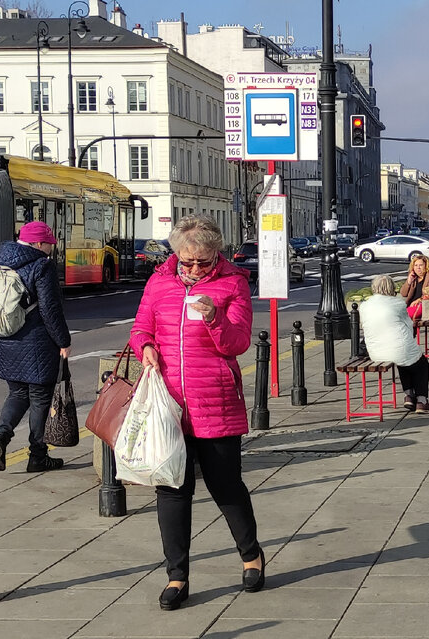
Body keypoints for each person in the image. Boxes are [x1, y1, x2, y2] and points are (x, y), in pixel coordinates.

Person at [129, 216, 264, 610]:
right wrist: (145, 347)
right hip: (168, 406)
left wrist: (213, 317)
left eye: (201, 262)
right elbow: (141, 328)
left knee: (226, 486)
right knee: (172, 490)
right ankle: (177, 576)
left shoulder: (233, 283)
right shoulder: (160, 281)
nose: (192, 269)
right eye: (186, 261)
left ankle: (251, 555)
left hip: (215, 401)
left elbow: (237, 343)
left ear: (215, 253)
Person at [0, 221, 71, 474]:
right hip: (37, 341)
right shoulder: (42, 266)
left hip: (6, 339)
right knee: (40, 398)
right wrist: (63, 341)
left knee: (17, 393)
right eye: (49, 244)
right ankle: (38, 456)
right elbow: (50, 310)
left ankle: (1, 438)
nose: (51, 248)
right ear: (38, 243)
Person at [360, 275, 429, 413]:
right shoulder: (397, 304)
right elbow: (408, 325)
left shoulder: (364, 306)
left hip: (375, 351)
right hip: (398, 347)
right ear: (391, 288)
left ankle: (409, 395)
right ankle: (421, 400)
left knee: (403, 361)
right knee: (421, 364)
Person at [400, 254, 429, 320]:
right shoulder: (413, 277)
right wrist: (408, 282)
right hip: (411, 306)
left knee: (402, 317)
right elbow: (403, 293)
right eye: (415, 265)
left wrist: (419, 300)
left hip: (426, 306)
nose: (418, 268)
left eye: (421, 265)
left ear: (426, 266)